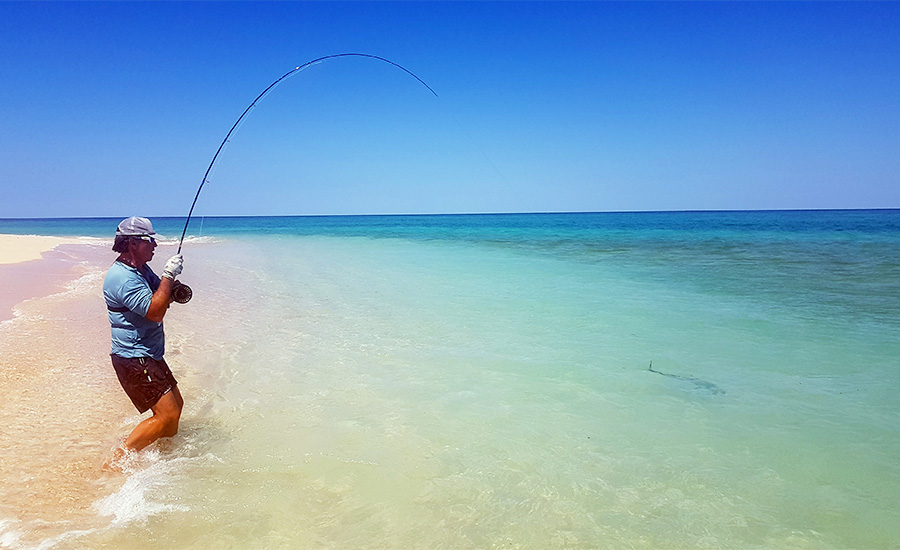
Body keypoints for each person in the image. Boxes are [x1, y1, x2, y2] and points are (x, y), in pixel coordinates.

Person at [103, 216, 185, 466]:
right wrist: (169, 275)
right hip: (134, 357)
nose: (155, 245)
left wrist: (170, 287)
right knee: (166, 414)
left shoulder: (139, 269)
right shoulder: (123, 278)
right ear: (132, 243)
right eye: (150, 240)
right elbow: (156, 311)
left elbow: (161, 295)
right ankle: (117, 461)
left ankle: (165, 460)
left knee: (176, 408)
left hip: (147, 353)